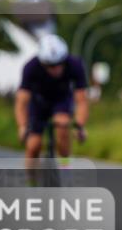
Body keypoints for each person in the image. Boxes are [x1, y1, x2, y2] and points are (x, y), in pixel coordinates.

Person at [14, 34, 89, 174]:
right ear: (42, 63)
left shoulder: (75, 65)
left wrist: (79, 126)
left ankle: (65, 169)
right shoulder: (30, 67)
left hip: (61, 99)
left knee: (63, 125)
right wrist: (22, 126)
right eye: (50, 66)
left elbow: (82, 100)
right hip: (38, 103)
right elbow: (21, 102)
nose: (55, 69)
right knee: (33, 145)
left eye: (59, 64)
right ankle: (31, 183)